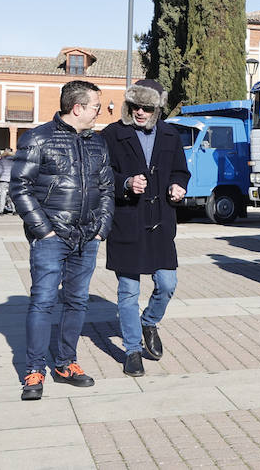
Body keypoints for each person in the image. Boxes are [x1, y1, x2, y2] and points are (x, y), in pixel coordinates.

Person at [10, 80, 114, 400]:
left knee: (77, 301)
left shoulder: (97, 143)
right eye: (96, 106)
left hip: (87, 237)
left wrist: (100, 228)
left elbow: (107, 189)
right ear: (77, 108)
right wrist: (44, 229)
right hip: (52, 238)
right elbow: (19, 188)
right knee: (43, 301)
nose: (100, 111)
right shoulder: (37, 138)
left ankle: (66, 363)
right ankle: (34, 369)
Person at [103, 80, 190, 377]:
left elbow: (181, 170)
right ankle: (131, 350)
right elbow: (102, 176)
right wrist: (125, 183)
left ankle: (149, 321)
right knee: (127, 291)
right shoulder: (113, 135)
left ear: (157, 108)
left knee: (167, 283)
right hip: (127, 221)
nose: (139, 112)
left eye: (147, 107)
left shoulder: (171, 134)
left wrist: (179, 185)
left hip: (161, 222)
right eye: (135, 106)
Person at [0, 148, 14, 214]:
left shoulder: (2, 160)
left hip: (3, 179)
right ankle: (14, 210)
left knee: (2, 196)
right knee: (12, 196)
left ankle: (1, 211)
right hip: (12, 180)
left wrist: (0, 176)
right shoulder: (14, 160)